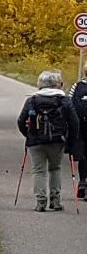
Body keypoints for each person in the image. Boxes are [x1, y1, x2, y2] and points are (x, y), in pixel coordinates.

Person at [19, 70, 80, 211]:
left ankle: (40, 203)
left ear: (40, 84)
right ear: (56, 84)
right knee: (55, 168)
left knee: (39, 171)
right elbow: (74, 122)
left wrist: (28, 135)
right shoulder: (64, 100)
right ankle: (55, 201)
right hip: (57, 141)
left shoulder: (32, 100)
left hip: (36, 141)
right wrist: (71, 141)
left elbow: (21, 121)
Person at [72, 73, 87, 200]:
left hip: (81, 125)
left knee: (83, 154)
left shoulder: (77, 86)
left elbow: (70, 106)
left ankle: (83, 181)